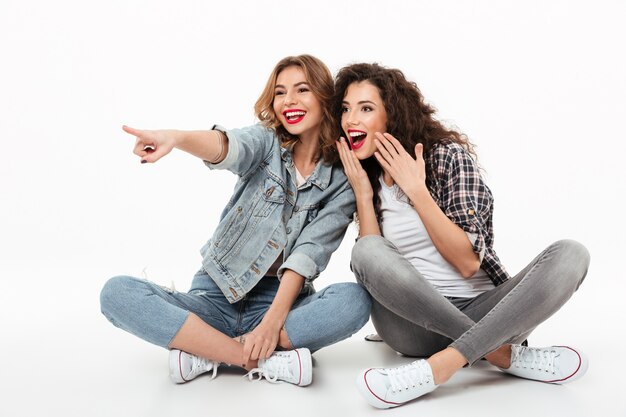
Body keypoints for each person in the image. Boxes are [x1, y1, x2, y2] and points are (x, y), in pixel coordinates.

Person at [100, 55, 371, 387]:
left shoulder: (342, 178)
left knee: (355, 301)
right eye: (280, 92)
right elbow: (228, 147)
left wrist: (272, 323)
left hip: (281, 307)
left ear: (324, 97)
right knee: (116, 293)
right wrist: (177, 138)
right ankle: (254, 358)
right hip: (215, 297)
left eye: (302, 90)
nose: (289, 101)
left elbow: (309, 253)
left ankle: (202, 352)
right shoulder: (266, 141)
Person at [333, 63, 590, 408]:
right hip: (411, 325)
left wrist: (418, 192)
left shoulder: (446, 158)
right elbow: (375, 269)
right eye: (346, 109)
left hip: (489, 313)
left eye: (366, 108)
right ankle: (499, 354)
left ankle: (443, 365)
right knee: (366, 250)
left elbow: (468, 264)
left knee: (571, 253)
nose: (351, 120)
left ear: (392, 115)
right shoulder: (366, 179)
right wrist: (364, 194)